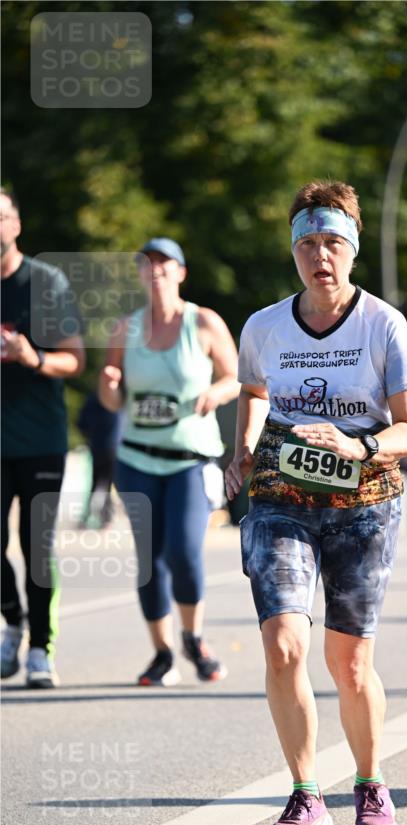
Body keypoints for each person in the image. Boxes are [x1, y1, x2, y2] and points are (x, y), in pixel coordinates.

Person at [225, 181, 407, 825]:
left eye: (333, 243)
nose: (321, 255)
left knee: (348, 664)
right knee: (284, 644)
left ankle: (369, 783)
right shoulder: (262, 326)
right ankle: (305, 793)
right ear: (293, 251)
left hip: (363, 504)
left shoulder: (383, 324)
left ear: (352, 249)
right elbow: (254, 390)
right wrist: (243, 450)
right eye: (308, 243)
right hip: (279, 499)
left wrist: (358, 444)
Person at [98, 237, 239, 686]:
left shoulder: (204, 323)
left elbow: (238, 377)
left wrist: (216, 392)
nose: (155, 271)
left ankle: (193, 637)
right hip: (138, 459)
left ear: (181, 272)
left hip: (190, 459)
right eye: (147, 264)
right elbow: (112, 400)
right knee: (150, 560)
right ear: (140, 274)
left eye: (165, 264)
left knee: (183, 550)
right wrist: (110, 381)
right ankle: (161, 653)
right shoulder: (126, 329)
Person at [1, 187, 85, 688]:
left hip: (39, 438)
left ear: (16, 224)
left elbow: (74, 359)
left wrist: (31, 356)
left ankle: (40, 649)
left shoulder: (44, 283)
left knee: (37, 546)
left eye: (1, 216)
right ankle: (13, 619)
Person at [76, 390, 123, 528]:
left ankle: (89, 518)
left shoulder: (93, 398)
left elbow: (82, 424)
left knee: (97, 483)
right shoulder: (122, 397)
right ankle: (105, 519)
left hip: (98, 447)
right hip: (116, 448)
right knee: (107, 484)